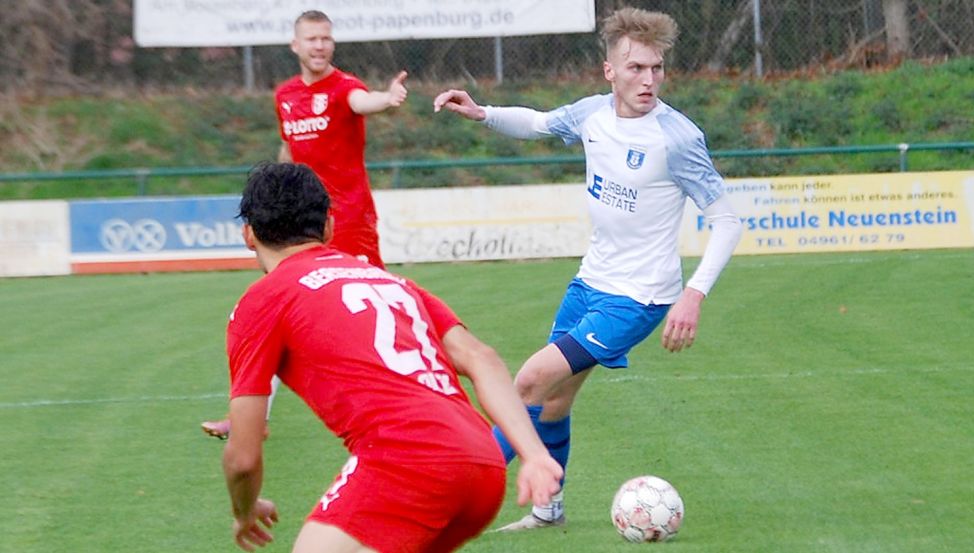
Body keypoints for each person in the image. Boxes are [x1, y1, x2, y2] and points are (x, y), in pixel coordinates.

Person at [433, 7, 743, 531]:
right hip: (589, 283)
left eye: (657, 69)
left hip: (638, 298)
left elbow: (727, 220)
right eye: (636, 68)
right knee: (553, 402)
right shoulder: (592, 115)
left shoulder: (678, 138)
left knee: (528, 381)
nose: (648, 80)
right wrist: (481, 112)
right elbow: (536, 123)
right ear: (610, 71)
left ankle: (447, 496)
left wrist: (694, 294)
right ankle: (548, 510)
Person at [220, 162, 563, 553]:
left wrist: (245, 511)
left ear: (249, 234)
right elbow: (480, 357)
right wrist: (533, 455)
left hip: (406, 462)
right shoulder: (390, 282)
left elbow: (243, 458)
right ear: (329, 227)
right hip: (482, 466)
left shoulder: (263, 300)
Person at [202, 9, 407, 439]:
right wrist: (272, 193)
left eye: (326, 39)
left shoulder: (344, 87)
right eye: (312, 39)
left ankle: (409, 395)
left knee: (377, 309)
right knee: (276, 309)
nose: (320, 46)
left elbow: (360, 101)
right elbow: (288, 148)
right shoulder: (285, 95)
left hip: (348, 221)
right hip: (298, 225)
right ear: (295, 45)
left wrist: (385, 100)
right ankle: (249, 419)